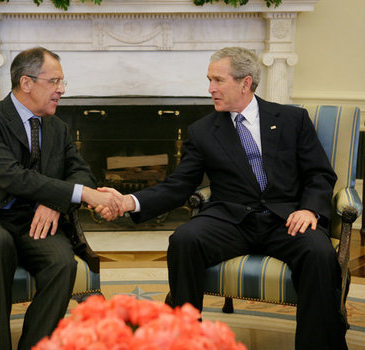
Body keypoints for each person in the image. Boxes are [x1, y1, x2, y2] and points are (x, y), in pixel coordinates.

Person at [97, 47, 347, 349]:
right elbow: (179, 185)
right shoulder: (202, 131)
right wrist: (127, 202)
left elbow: (319, 174)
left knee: (319, 254)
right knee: (184, 240)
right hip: (231, 219)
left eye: (218, 80)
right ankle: (185, 340)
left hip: (287, 218)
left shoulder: (293, 119)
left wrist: (309, 209)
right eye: (209, 80)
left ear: (245, 82)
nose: (210, 89)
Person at [0, 47, 123, 350]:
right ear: (26, 83)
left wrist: (55, 202)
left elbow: (82, 174)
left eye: (63, 82)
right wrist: (79, 194)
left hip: (31, 221)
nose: (61, 90)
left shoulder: (58, 128)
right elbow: (11, 176)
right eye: (54, 81)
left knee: (63, 263)